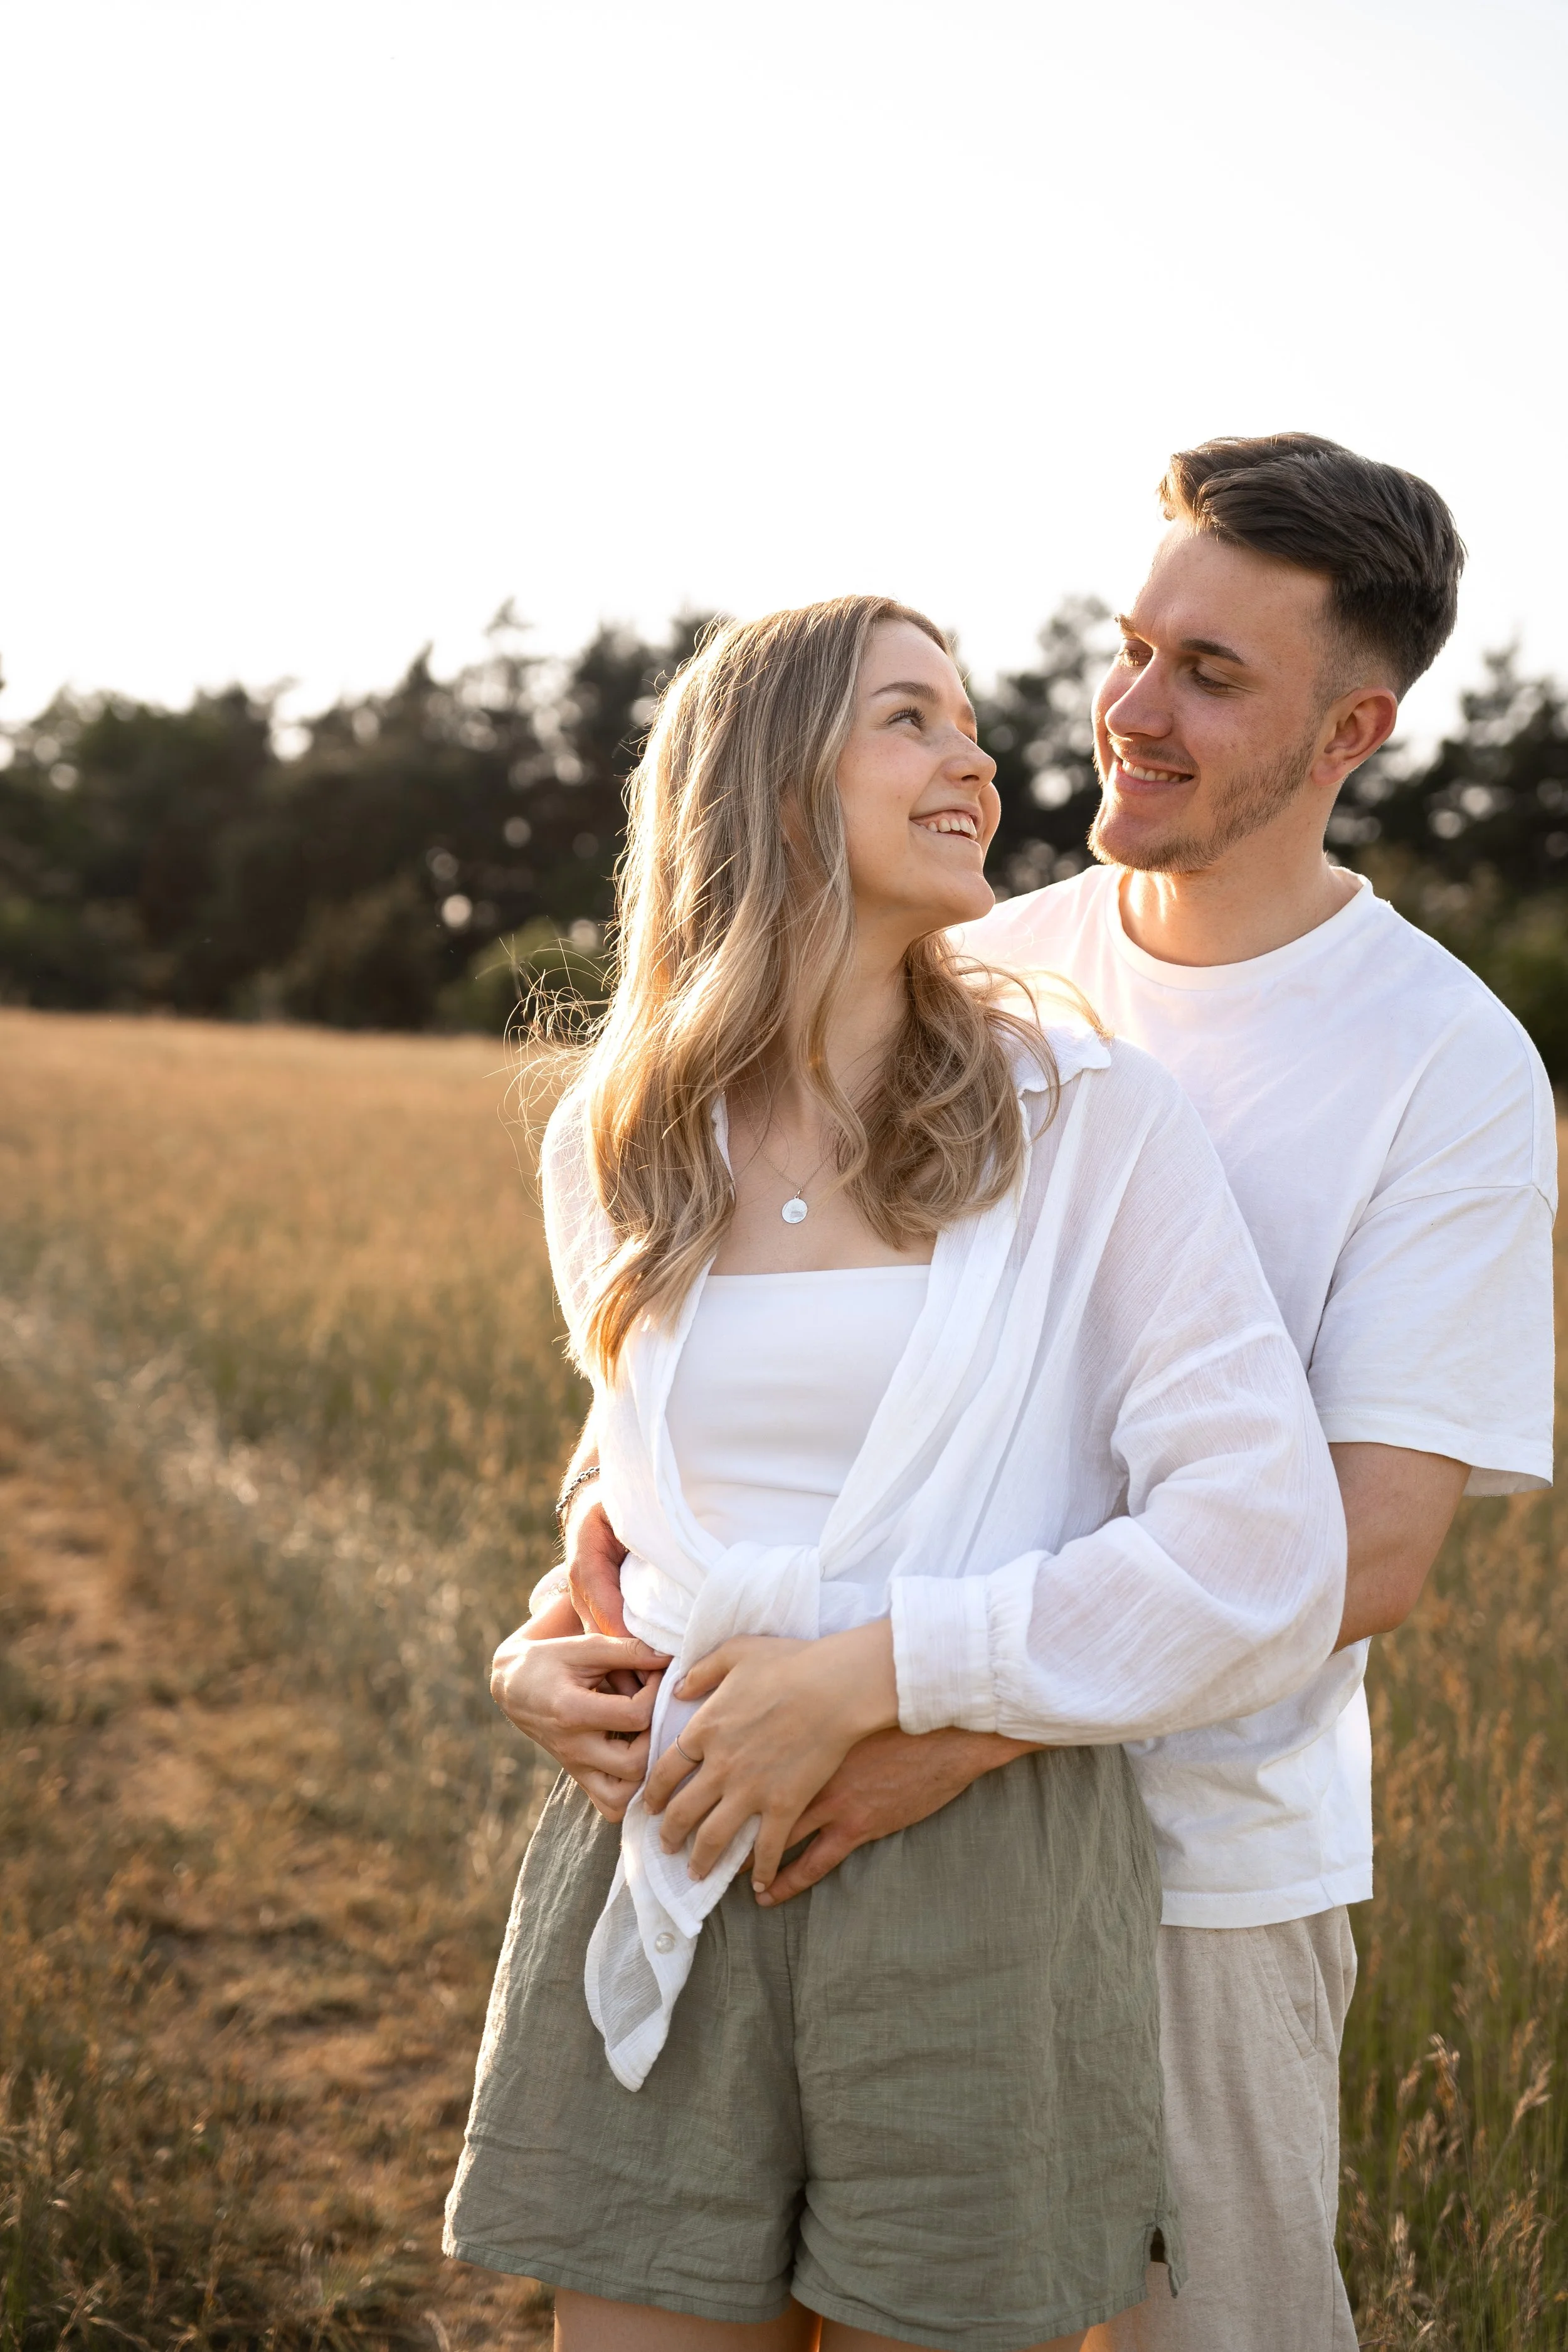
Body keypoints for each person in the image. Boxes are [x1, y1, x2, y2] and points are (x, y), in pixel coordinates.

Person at [538, 438, 1557, 2351]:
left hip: (1196, 1865)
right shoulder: (983, 973)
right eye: (1131, 644)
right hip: (832, 1813)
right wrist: (564, 1622)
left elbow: (1360, 1549)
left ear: (1351, 729)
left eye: (1209, 675)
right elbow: (734, 1390)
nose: (1128, 710)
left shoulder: (1445, 1061)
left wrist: (941, 1724)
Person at [450, 593, 1347, 2352]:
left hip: (974, 1868)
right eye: (910, 719)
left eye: (969, 722)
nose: (975, 760)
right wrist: (536, 1648)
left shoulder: (1085, 1117)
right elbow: (645, 1484)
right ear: (771, 775)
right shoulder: (616, 1136)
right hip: (669, 1832)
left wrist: (876, 1678)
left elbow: (1262, 1545)